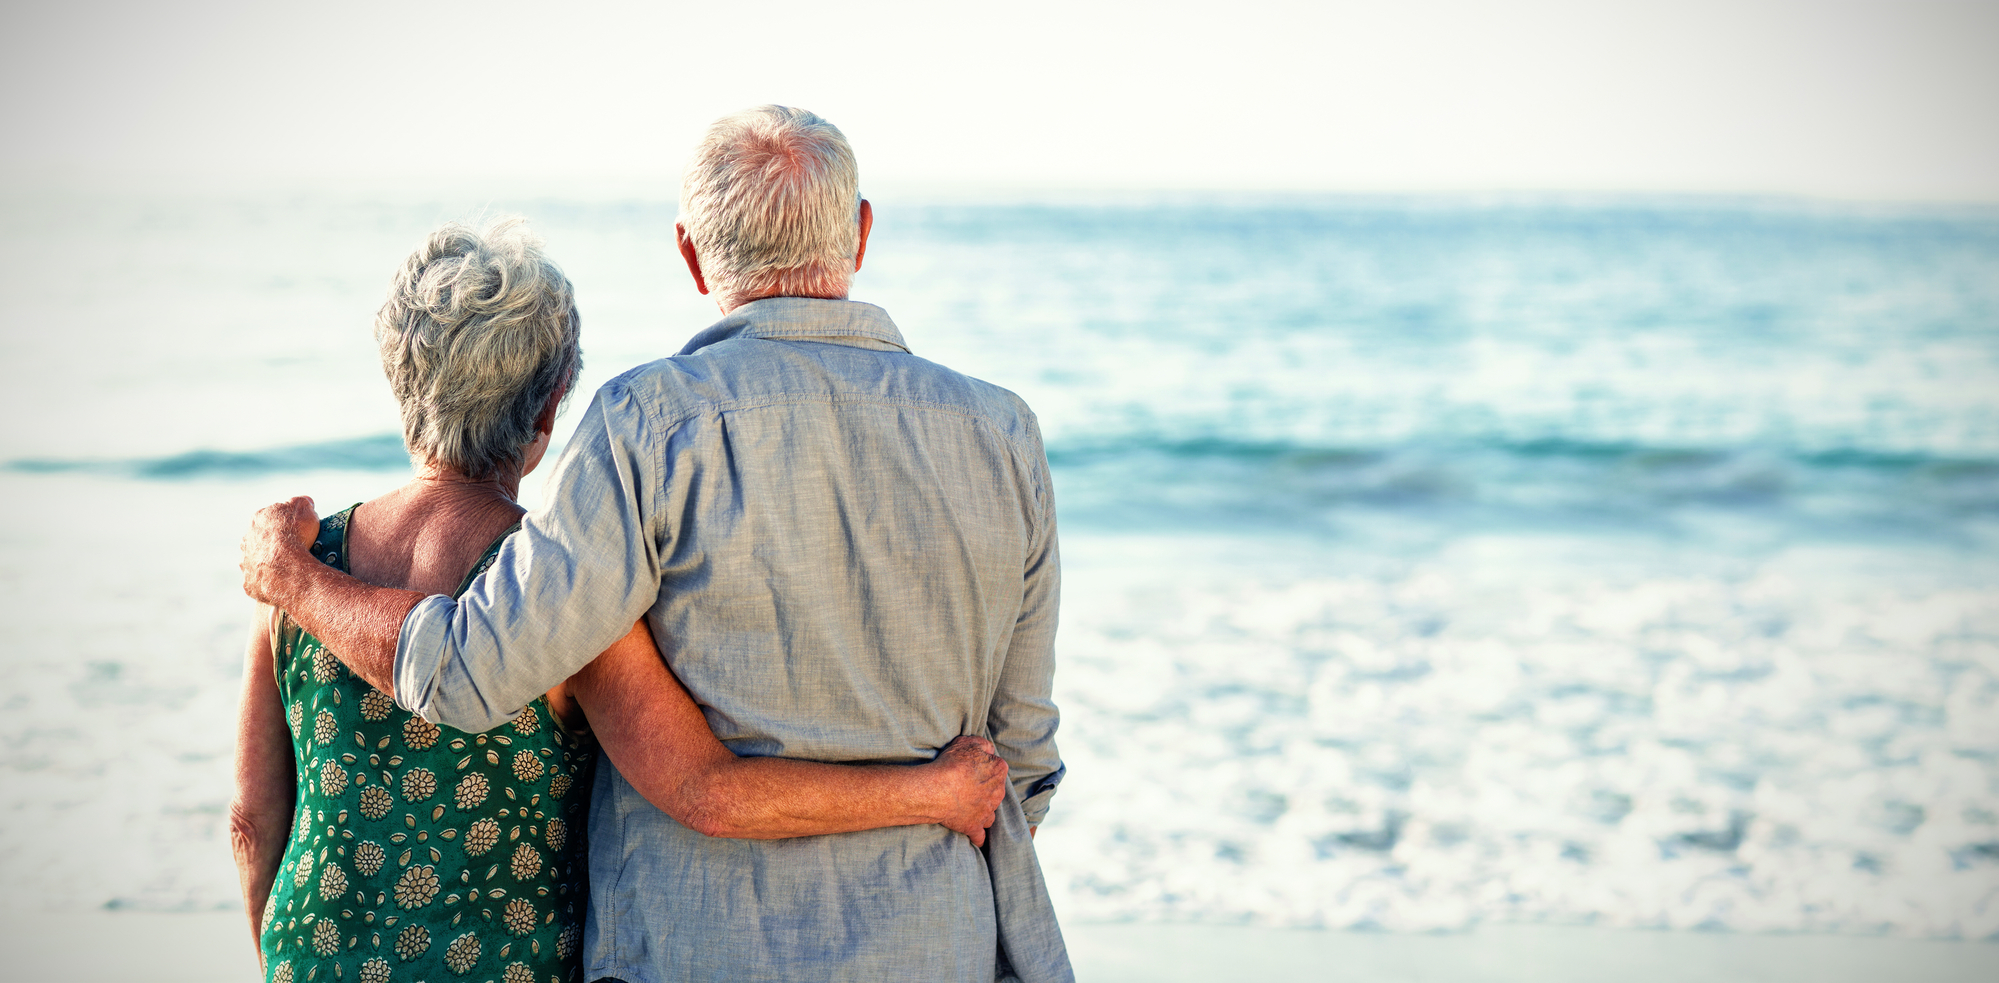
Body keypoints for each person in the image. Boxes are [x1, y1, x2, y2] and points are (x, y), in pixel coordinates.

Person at [240, 105, 1072, 982]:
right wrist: (923, 824)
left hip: (696, 951)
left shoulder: (647, 427)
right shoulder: (1003, 433)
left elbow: (469, 673)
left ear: (689, 252)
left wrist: (292, 577)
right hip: (934, 945)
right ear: (860, 234)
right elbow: (1021, 760)